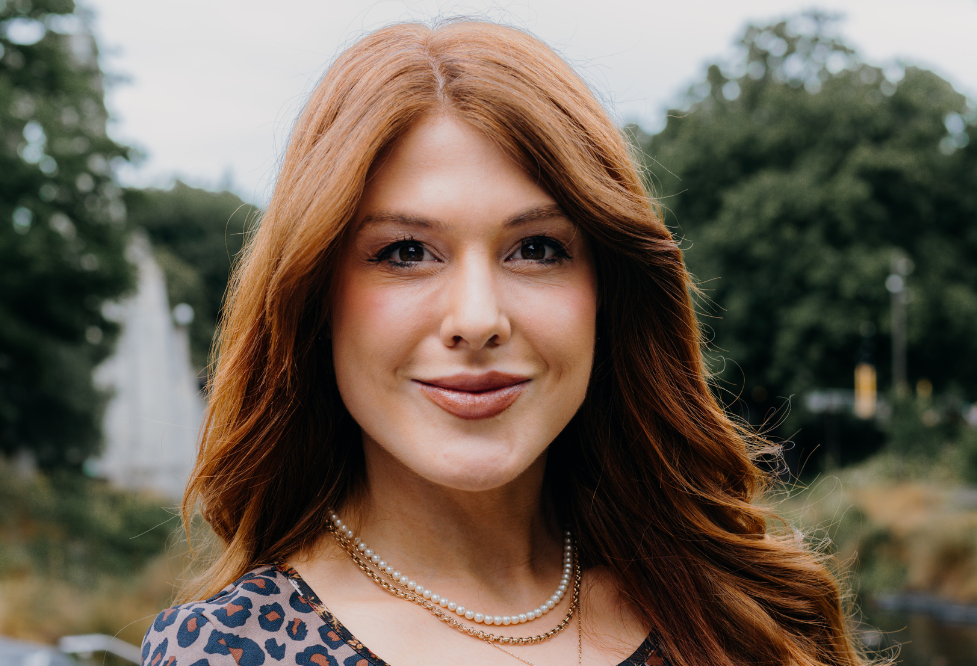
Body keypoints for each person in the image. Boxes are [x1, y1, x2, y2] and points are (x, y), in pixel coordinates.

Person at [143, 20, 871, 666]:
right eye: (405, 252)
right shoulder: (227, 652)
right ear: (314, 297)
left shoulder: (744, 615)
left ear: (609, 292)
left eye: (536, 249)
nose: (477, 318)